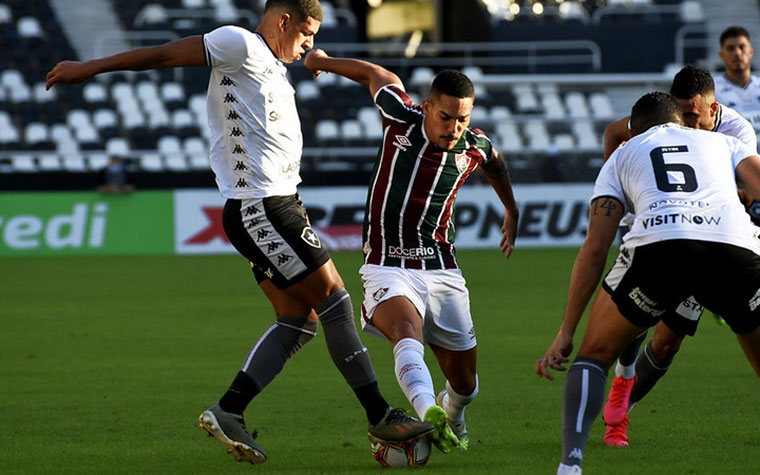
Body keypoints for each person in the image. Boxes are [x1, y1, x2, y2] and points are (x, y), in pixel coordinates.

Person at [45, 0, 433, 465]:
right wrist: (90, 68)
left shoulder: (271, 66)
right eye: (306, 32)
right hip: (262, 206)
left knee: (299, 320)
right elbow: (167, 54)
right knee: (335, 300)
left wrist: (317, 62)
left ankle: (229, 410)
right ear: (283, 20)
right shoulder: (240, 44)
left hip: (276, 205)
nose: (310, 43)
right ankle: (380, 414)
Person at [303, 50, 519, 452]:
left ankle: (451, 411)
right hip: (387, 264)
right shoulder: (400, 117)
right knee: (406, 331)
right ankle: (425, 414)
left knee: (466, 385)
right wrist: (321, 60)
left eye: (463, 119)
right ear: (427, 107)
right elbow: (375, 73)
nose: (454, 127)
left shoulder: (474, 146)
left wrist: (511, 209)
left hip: (442, 270)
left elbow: (497, 165)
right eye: (446, 117)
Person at [536, 91, 760, 475]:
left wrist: (566, 331)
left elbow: (595, 249)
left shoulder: (623, 154)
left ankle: (570, 465)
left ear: (634, 129)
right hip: (735, 249)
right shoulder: (725, 140)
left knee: (592, 358)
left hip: (661, 248)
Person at [597, 65, 757, 446]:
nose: (685, 123)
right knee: (634, 318)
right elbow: (615, 132)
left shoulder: (737, 133)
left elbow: (746, 192)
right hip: (655, 225)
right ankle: (621, 384)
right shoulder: (663, 119)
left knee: (668, 342)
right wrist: (619, 187)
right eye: (680, 113)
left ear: (712, 108)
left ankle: (625, 404)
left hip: (708, 236)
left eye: (692, 116)